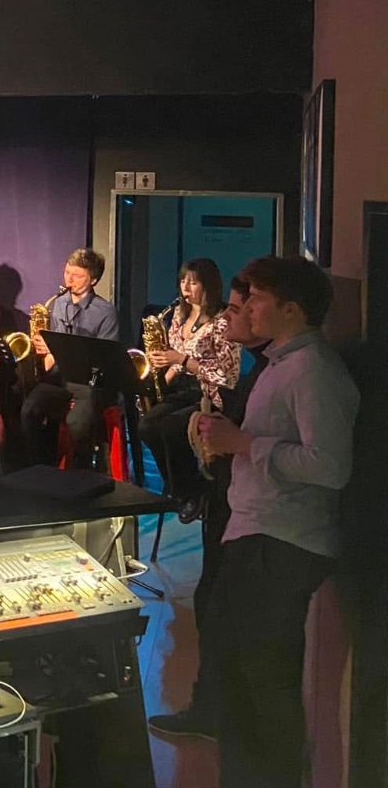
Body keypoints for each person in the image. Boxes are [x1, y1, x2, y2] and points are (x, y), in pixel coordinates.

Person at [187, 256, 357, 788]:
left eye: (258, 299)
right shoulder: (284, 364)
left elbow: (330, 466)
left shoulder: (313, 370)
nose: (249, 308)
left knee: (262, 682)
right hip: (259, 533)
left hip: (280, 540)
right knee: (240, 677)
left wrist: (244, 444)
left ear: (292, 309)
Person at [150, 274, 264, 742]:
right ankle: (214, 708)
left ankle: (220, 715)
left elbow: (323, 461)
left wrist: (233, 441)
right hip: (234, 498)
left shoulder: (296, 371)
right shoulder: (273, 364)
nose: (234, 316)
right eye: (235, 307)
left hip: (253, 512)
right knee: (210, 600)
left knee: (220, 604)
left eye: (244, 307)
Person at [138, 258, 240, 518]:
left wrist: (182, 360)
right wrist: (159, 382)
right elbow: (175, 358)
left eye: (192, 282)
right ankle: (179, 486)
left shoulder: (223, 321)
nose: (185, 287)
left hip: (210, 391)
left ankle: (192, 490)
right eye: (182, 281)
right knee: (147, 426)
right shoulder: (178, 315)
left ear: (208, 285)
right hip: (181, 386)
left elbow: (226, 375)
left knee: (170, 426)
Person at [20, 248, 121, 470]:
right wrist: (45, 351)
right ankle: (39, 468)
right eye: (67, 272)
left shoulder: (106, 312)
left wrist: (59, 349)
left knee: (76, 423)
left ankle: (80, 472)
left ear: (93, 280)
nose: (69, 280)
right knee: (30, 410)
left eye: (77, 275)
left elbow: (107, 359)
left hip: (89, 382)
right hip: (61, 378)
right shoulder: (58, 303)